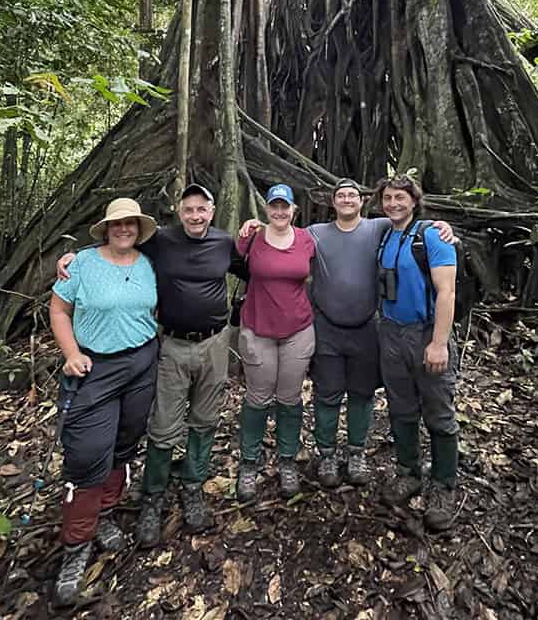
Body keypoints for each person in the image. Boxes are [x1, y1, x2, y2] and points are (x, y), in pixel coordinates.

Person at [56, 184, 247, 549]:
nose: (195, 216)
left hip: (215, 343)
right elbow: (114, 246)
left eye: (201, 209)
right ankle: (152, 498)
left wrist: (257, 230)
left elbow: (255, 267)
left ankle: (193, 488)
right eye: (188, 209)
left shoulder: (224, 243)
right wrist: (73, 256)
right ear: (179, 211)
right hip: (172, 345)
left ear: (212, 209)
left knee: (205, 421)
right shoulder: (160, 241)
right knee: (163, 427)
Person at [240, 179, 453, 489]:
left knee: (362, 392)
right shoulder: (314, 233)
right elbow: (280, 235)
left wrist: (441, 224)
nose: (347, 199)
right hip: (327, 326)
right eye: (341, 195)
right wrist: (252, 226)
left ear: (363, 201)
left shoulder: (379, 227)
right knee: (327, 392)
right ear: (333, 201)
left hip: (367, 326)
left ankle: (356, 453)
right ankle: (326, 453)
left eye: (353, 194)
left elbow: (409, 223)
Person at [49, 197, 159, 605]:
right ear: (106, 229)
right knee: (86, 453)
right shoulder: (81, 264)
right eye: (117, 224)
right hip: (95, 368)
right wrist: (71, 353)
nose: (124, 230)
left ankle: (106, 515)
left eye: (130, 224)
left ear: (139, 228)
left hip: (143, 362)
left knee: (126, 441)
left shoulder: (148, 264)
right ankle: (77, 545)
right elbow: (59, 309)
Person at [376, 174, 459, 531]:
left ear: (414, 201)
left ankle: (443, 485)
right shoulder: (385, 234)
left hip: (426, 333)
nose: (393, 204)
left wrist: (439, 343)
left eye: (400, 198)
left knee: (438, 412)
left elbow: (447, 292)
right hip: (391, 333)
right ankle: (408, 472)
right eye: (388, 198)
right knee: (401, 409)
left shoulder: (432, 237)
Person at [235, 184, 316, 502]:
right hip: (257, 329)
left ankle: (287, 461)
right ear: (266, 208)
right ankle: (249, 464)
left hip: (298, 329)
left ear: (294, 209)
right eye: (274, 206)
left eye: (285, 206)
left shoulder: (307, 239)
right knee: (257, 397)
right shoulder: (252, 237)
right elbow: (216, 256)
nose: (280, 212)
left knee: (289, 397)